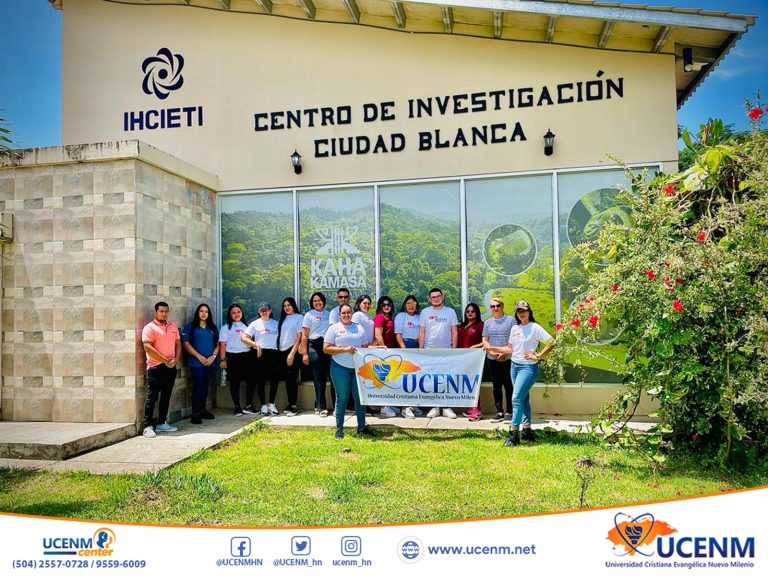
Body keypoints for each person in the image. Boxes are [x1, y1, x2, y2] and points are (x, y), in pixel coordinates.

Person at [483, 300, 554, 447]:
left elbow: (551, 341)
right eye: (519, 311)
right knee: (523, 398)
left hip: (528, 368)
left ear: (529, 312)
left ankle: (513, 434)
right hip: (514, 367)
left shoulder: (534, 327)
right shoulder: (515, 328)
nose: (522, 313)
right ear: (516, 313)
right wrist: (492, 348)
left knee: (515, 399)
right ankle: (527, 431)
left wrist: (539, 355)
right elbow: (510, 349)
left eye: (524, 311)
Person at [323, 303, 374, 439]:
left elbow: (365, 347)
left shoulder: (359, 328)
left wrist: (378, 348)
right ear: (339, 315)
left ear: (352, 313)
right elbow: (326, 348)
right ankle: (339, 429)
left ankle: (362, 428)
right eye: (343, 313)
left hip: (358, 369)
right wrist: (345, 349)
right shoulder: (334, 328)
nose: (346, 315)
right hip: (340, 367)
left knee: (360, 399)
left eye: (348, 312)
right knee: (342, 398)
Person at [141, 301, 181, 438]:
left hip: (171, 367)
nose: (164, 314)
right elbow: (147, 347)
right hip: (155, 367)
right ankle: (147, 426)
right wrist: (164, 359)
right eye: (161, 311)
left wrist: (175, 360)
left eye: (166, 311)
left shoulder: (173, 326)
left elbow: (178, 344)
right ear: (156, 312)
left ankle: (162, 422)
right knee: (152, 397)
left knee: (166, 396)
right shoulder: (149, 327)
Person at [419, 287, 459, 419]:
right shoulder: (425, 312)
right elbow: (422, 332)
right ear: (429, 299)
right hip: (429, 350)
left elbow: (454, 331)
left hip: (446, 350)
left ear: (442, 297)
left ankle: (447, 407)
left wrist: (454, 350)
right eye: (433, 297)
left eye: (438, 296)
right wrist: (421, 350)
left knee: (446, 379)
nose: (436, 298)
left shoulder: (450, 312)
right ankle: (434, 407)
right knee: (432, 380)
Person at [181, 303, 218, 424]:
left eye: (206, 311)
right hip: (196, 363)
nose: (204, 313)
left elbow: (218, 344)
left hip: (209, 363)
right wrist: (199, 356)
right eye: (201, 311)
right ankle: (195, 413)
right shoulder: (190, 327)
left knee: (205, 386)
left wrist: (213, 356)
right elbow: (186, 344)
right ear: (197, 313)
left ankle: (202, 410)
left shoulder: (213, 328)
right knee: (198, 386)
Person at [242, 302, 281, 416]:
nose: (264, 312)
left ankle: (271, 404)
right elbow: (244, 338)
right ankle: (263, 405)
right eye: (262, 310)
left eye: (266, 310)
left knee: (274, 381)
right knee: (261, 381)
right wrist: (255, 344)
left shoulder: (276, 324)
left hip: (273, 353)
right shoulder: (255, 323)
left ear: (270, 311)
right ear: (259, 312)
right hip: (260, 353)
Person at [482, 297, 515, 423]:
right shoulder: (488, 323)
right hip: (492, 358)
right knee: (496, 386)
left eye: (498, 305)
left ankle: (510, 412)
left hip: (508, 358)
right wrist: (491, 351)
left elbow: (514, 339)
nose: (495, 308)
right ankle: (499, 411)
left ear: (502, 306)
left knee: (509, 385)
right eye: (493, 306)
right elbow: (485, 340)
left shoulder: (511, 320)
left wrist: (504, 353)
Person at [218, 303, 254, 416]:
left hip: (247, 356)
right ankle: (237, 406)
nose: (236, 314)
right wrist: (223, 359)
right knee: (235, 383)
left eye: (238, 312)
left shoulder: (247, 326)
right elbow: (222, 344)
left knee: (251, 381)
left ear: (241, 313)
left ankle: (248, 405)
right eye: (233, 313)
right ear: (230, 314)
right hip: (233, 357)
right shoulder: (225, 327)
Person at [302, 291, 333, 417]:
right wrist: (305, 353)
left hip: (326, 346)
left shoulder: (329, 314)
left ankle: (317, 403)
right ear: (312, 303)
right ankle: (322, 407)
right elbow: (304, 335)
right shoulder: (309, 315)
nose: (317, 303)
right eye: (315, 301)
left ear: (323, 301)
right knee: (318, 376)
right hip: (313, 345)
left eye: (319, 300)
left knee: (325, 376)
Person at [394, 294, 422, 419]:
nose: (411, 306)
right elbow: (398, 334)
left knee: (415, 377)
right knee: (406, 378)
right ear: (404, 305)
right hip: (406, 345)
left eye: (413, 303)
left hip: (417, 346)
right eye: (408, 303)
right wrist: (403, 349)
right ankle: (405, 407)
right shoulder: (401, 316)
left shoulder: (420, 317)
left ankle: (413, 404)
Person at [458, 302, 485, 422]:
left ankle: (476, 410)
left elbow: (485, 342)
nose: (470, 313)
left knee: (474, 384)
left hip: (475, 359)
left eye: (472, 311)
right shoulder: (461, 325)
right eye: (467, 311)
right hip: (462, 359)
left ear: (477, 313)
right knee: (465, 383)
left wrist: (474, 347)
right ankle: (470, 407)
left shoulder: (481, 325)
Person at [374, 296, 399, 418]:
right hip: (384, 353)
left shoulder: (389, 317)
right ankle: (383, 407)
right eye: (383, 305)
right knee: (383, 380)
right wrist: (384, 350)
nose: (386, 306)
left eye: (389, 304)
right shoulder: (380, 317)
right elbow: (378, 335)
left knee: (390, 379)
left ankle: (388, 403)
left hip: (392, 352)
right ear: (380, 306)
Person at [277, 297, 304, 416]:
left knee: (292, 379)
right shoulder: (283, 319)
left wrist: (292, 353)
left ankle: (294, 406)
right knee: (287, 379)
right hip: (282, 351)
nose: (287, 307)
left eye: (289, 305)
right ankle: (289, 403)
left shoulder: (299, 317)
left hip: (292, 351)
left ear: (293, 305)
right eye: (285, 305)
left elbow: (299, 336)